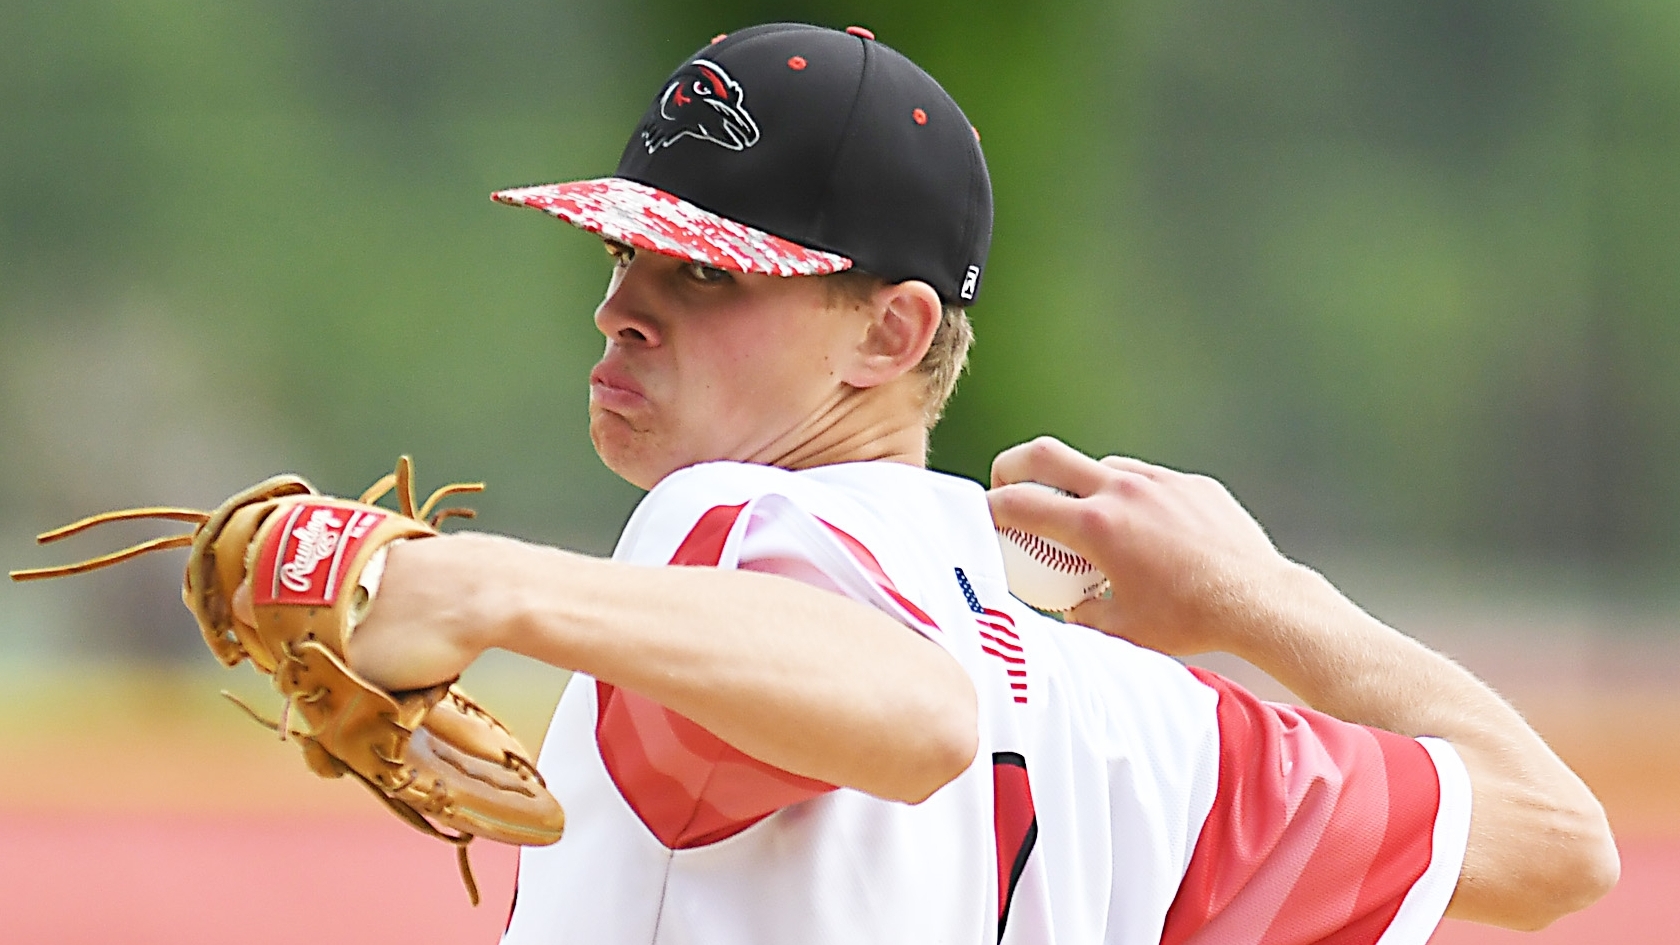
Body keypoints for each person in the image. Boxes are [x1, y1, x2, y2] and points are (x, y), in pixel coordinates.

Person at [344, 22, 1618, 944]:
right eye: (630, 252)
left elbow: (917, 712)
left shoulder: (733, 514)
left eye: (708, 273)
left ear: (890, 335)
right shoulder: (1137, 711)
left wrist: (478, 584)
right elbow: (1555, 847)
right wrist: (1264, 599)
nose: (621, 307)